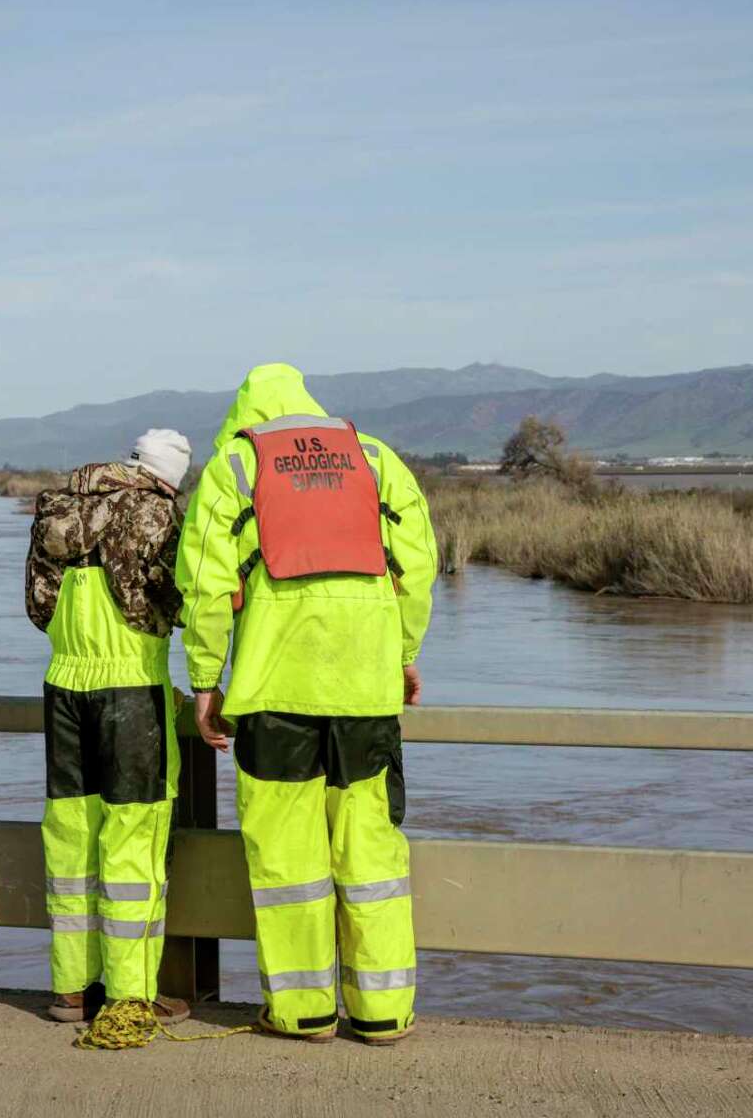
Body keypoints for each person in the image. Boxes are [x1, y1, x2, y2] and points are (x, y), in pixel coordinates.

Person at [176, 364, 437, 1045]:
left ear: (247, 413)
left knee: (288, 860)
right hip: (365, 694)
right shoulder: (375, 458)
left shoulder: (237, 464)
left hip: (273, 694)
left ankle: (303, 1012)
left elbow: (204, 585)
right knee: (371, 850)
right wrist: (402, 654)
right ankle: (383, 1013)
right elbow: (417, 566)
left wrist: (206, 681)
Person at [25, 427, 194, 1026]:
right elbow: (181, 600)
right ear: (169, 475)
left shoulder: (61, 504)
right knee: (134, 840)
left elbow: (38, 605)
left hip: (63, 684)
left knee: (71, 837)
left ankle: (70, 989)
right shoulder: (155, 513)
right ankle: (129, 994)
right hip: (130, 689)